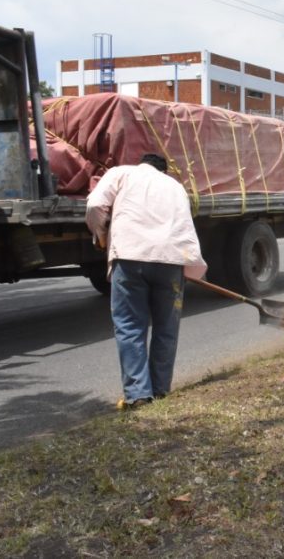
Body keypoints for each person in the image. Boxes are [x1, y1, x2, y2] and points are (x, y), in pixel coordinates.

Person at [85, 153, 207, 410]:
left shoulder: (121, 173)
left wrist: (100, 233)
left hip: (130, 258)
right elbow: (185, 225)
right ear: (163, 171)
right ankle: (161, 389)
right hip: (171, 262)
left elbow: (96, 204)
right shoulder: (176, 187)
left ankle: (139, 395)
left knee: (130, 326)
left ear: (142, 163)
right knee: (166, 327)